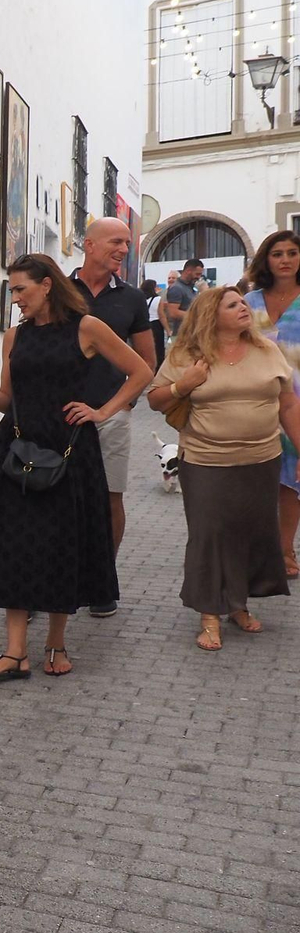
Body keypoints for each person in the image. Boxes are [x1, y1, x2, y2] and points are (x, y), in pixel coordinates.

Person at [0, 255, 151, 680]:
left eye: (20, 289)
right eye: (11, 291)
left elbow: (141, 371)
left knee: (61, 542)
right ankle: (14, 653)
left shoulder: (87, 328)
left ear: (47, 285)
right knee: (14, 543)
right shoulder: (15, 337)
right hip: (17, 448)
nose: (16, 299)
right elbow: (6, 400)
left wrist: (103, 411)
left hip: (69, 450)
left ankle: (56, 642)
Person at [148, 287, 300, 649]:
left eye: (243, 303)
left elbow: (288, 405)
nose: (244, 308)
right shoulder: (188, 353)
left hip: (261, 460)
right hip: (205, 460)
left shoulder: (267, 349)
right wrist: (184, 385)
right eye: (233, 305)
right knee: (209, 535)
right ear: (211, 314)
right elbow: (155, 398)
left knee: (249, 532)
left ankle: (238, 605)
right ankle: (209, 615)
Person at [69, 218, 155, 617]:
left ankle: (102, 581)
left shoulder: (133, 299)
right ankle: (47, 578)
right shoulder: (59, 290)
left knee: (109, 498)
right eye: (115, 241)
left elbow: (147, 362)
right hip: (61, 413)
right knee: (52, 497)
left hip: (110, 414)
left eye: (127, 242)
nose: (123, 248)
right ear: (88, 244)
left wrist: (123, 405)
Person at [244, 229, 300, 575]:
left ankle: (286, 552)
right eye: (277, 253)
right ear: (266, 259)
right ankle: (255, 551)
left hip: (298, 402)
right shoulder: (249, 302)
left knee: (290, 482)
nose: (285, 260)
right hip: (257, 400)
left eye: (292, 253)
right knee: (255, 480)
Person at [164, 258, 204, 335]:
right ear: (188, 271)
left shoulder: (190, 287)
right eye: (197, 274)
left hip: (191, 332)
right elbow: (173, 313)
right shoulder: (176, 288)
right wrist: (197, 316)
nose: (199, 277)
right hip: (182, 335)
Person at [142, 279, 166, 370]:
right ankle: (158, 368)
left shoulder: (142, 299)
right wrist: (167, 329)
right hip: (156, 324)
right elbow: (161, 315)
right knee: (159, 348)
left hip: (146, 324)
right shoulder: (158, 299)